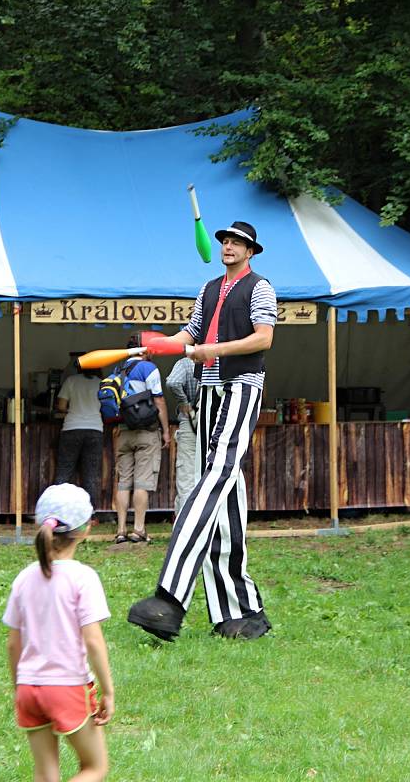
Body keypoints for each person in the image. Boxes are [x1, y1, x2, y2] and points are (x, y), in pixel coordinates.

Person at [128, 220, 277, 641]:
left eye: (237, 242)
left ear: (251, 251)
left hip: (241, 386)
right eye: (225, 241)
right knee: (226, 492)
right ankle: (241, 615)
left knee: (211, 481)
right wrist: (156, 345)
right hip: (208, 391)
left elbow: (263, 339)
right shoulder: (210, 288)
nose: (229, 247)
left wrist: (216, 350)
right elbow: (190, 335)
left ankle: (169, 599)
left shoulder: (260, 287)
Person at [3, 483, 114, 782]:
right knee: (95, 767)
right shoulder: (83, 578)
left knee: (45, 774)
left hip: (29, 688)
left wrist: (19, 687)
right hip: (66, 687)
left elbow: (13, 645)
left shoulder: (23, 579)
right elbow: (92, 639)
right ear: (85, 529)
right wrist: (109, 691)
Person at [114, 334, 170, 544]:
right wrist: (165, 430)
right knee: (142, 482)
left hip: (123, 431)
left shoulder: (118, 370)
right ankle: (138, 529)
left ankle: (120, 530)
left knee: (123, 482)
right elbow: (159, 400)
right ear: (144, 350)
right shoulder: (148, 368)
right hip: (146, 432)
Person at [55, 366, 104, 511]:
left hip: (72, 427)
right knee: (91, 473)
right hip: (95, 428)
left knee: (64, 471)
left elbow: (61, 406)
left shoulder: (71, 380)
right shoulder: (101, 383)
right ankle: (90, 513)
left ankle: (57, 509)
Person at [165, 356, 199, 518]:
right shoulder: (221, 359)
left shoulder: (186, 363)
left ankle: (185, 523)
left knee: (186, 475)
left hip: (189, 422)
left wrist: (184, 401)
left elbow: (172, 382)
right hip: (216, 424)